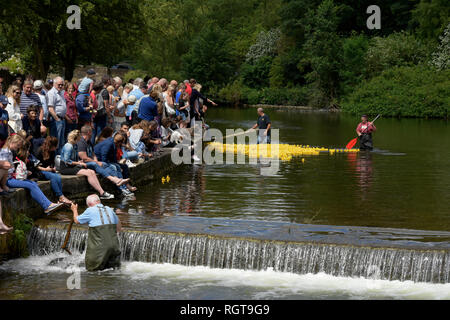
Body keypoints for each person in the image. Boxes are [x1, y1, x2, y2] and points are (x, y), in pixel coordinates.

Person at [0, 134, 65, 214]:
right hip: (7, 180)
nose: (18, 148)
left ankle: (48, 205)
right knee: (30, 185)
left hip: (10, 178)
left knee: (32, 183)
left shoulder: (9, 152)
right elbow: (4, 167)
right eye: (18, 145)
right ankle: (47, 206)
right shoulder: (5, 152)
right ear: (13, 142)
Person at [77, 125, 133, 197]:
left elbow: (94, 154)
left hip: (94, 161)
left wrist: (96, 161)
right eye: (92, 131)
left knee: (117, 166)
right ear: (89, 132)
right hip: (83, 163)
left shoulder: (89, 142)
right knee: (112, 167)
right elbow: (84, 158)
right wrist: (97, 162)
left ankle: (122, 185)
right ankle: (120, 186)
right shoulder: (81, 142)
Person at [70, 194, 121, 271]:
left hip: (99, 249)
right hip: (114, 247)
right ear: (99, 201)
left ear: (89, 204)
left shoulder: (90, 210)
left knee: (93, 271)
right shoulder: (109, 209)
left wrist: (74, 210)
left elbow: (77, 220)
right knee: (112, 271)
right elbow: (119, 227)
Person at [60, 130, 114, 200]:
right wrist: (79, 163)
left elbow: (73, 160)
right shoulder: (69, 146)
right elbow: (67, 161)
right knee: (88, 173)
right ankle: (102, 193)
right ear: (76, 138)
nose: (80, 139)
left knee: (92, 172)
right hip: (65, 168)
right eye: (79, 137)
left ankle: (102, 192)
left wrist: (79, 161)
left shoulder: (75, 145)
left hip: (72, 166)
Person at [34, 136, 73, 205]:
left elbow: (51, 164)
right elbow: (36, 166)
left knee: (57, 176)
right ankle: (61, 197)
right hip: (39, 171)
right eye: (56, 146)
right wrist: (46, 169)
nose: (57, 147)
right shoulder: (39, 151)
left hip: (48, 171)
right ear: (52, 146)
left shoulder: (52, 152)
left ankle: (60, 197)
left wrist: (52, 168)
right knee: (54, 177)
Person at [47, 77, 67, 154]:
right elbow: (50, 108)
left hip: (62, 119)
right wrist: (57, 119)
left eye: (62, 85)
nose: (61, 86)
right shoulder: (51, 93)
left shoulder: (61, 92)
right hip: (56, 120)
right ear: (54, 84)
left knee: (61, 141)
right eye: (59, 85)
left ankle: (60, 160)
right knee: (56, 142)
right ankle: (55, 160)